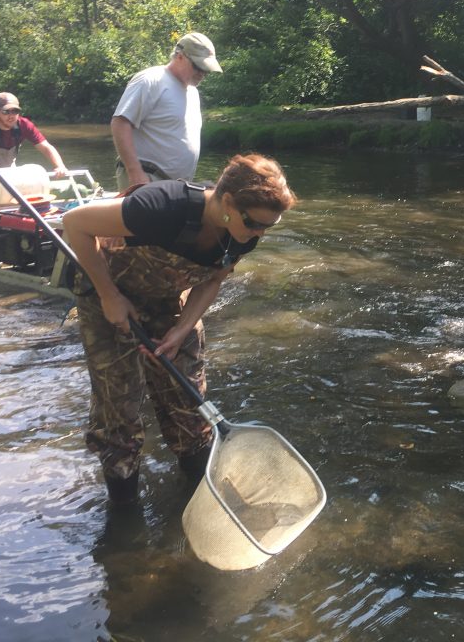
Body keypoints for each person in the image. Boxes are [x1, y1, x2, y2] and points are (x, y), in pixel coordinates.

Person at [61, 154, 296, 504]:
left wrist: (182, 329)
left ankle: (197, 495)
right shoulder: (162, 206)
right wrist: (110, 296)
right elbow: (75, 223)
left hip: (167, 298)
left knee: (188, 402)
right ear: (227, 202)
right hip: (106, 293)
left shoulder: (243, 234)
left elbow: (212, 280)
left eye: (268, 227)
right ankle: (125, 511)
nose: (259, 234)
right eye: (254, 223)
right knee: (119, 406)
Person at [111, 32, 223, 191]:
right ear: (180, 56)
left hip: (176, 186)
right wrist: (134, 171)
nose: (203, 73)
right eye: (198, 66)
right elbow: (120, 123)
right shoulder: (151, 80)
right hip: (146, 178)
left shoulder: (192, 92)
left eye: (206, 69)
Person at [0, 92, 68, 176]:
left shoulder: (24, 125)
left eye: (15, 111)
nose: (11, 116)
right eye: (6, 112)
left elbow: (46, 147)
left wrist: (60, 166)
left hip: (8, 169)